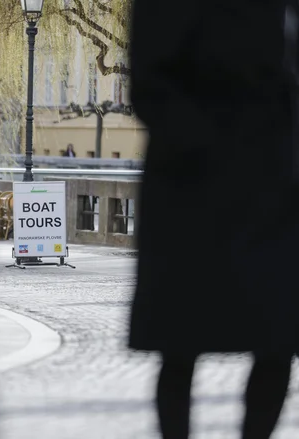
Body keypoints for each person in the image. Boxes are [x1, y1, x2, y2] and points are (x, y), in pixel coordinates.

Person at [128, 0, 299, 438]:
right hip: (193, 181)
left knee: (278, 337)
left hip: (275, 177)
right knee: (181, 341)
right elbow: (150, 79)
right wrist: (199, 143)